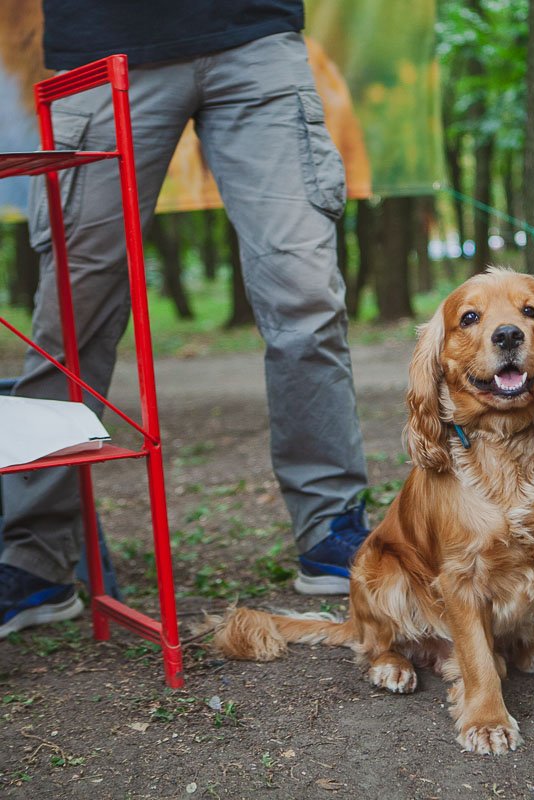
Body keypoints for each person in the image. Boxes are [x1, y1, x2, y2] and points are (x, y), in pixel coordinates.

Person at [0, 0, 372, 637]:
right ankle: (36, 558)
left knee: (305, 297)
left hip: (252, 34)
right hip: (99, 41)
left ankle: (332, 527)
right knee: (72, 315)